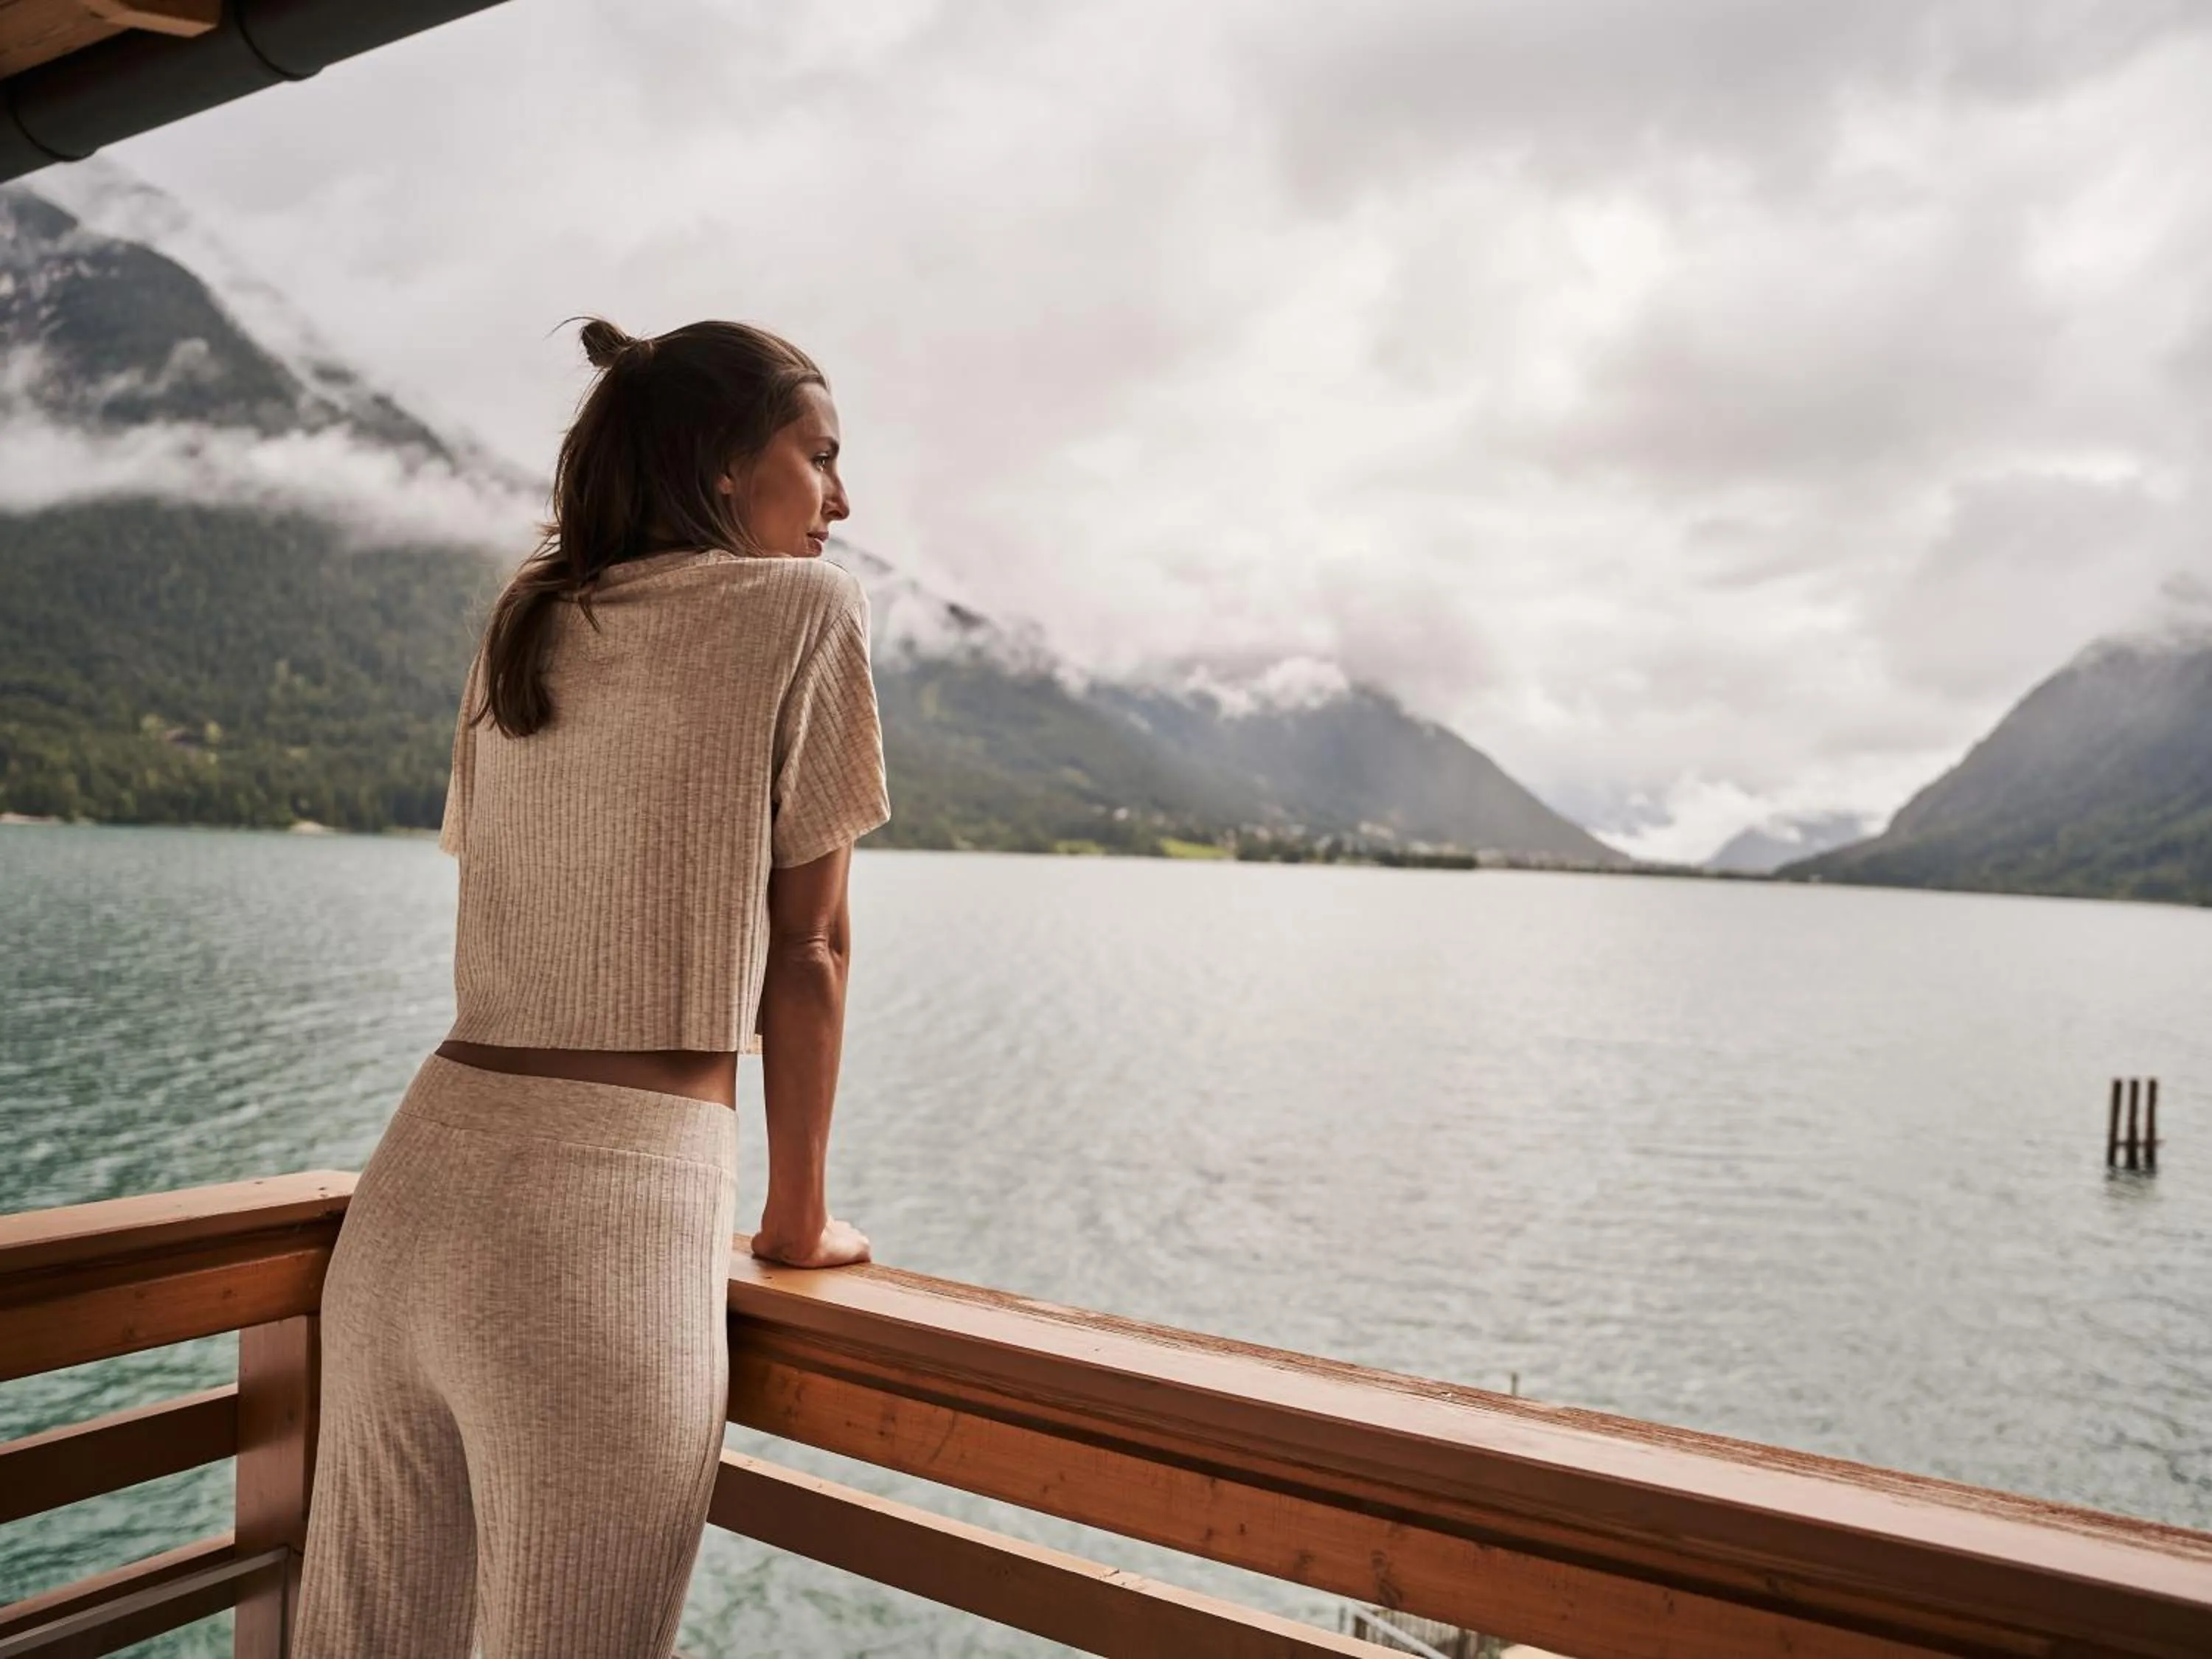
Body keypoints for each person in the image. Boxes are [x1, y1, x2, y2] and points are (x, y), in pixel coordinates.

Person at [293, 318, 890, 1658]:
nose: (843, 501)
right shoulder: (809, 611)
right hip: (602, 1235)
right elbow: (809, 951)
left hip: (410, 1211)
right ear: (731, 466)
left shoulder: (531, 618)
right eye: (822, 459)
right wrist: (797, 1222)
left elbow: (528, 898)